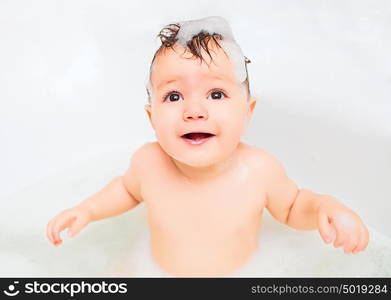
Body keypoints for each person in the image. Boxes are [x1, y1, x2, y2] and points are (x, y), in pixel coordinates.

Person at [46, 16, 369, 277]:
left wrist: (326, 207)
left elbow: (293, 207)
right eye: (173, 96)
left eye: (216, 94)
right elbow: (127, 191)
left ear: (247, 112)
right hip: (152, 272)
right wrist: (87, 210)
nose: (194, 110)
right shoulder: (149, 162)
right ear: (151, 116)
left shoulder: (259, 170)